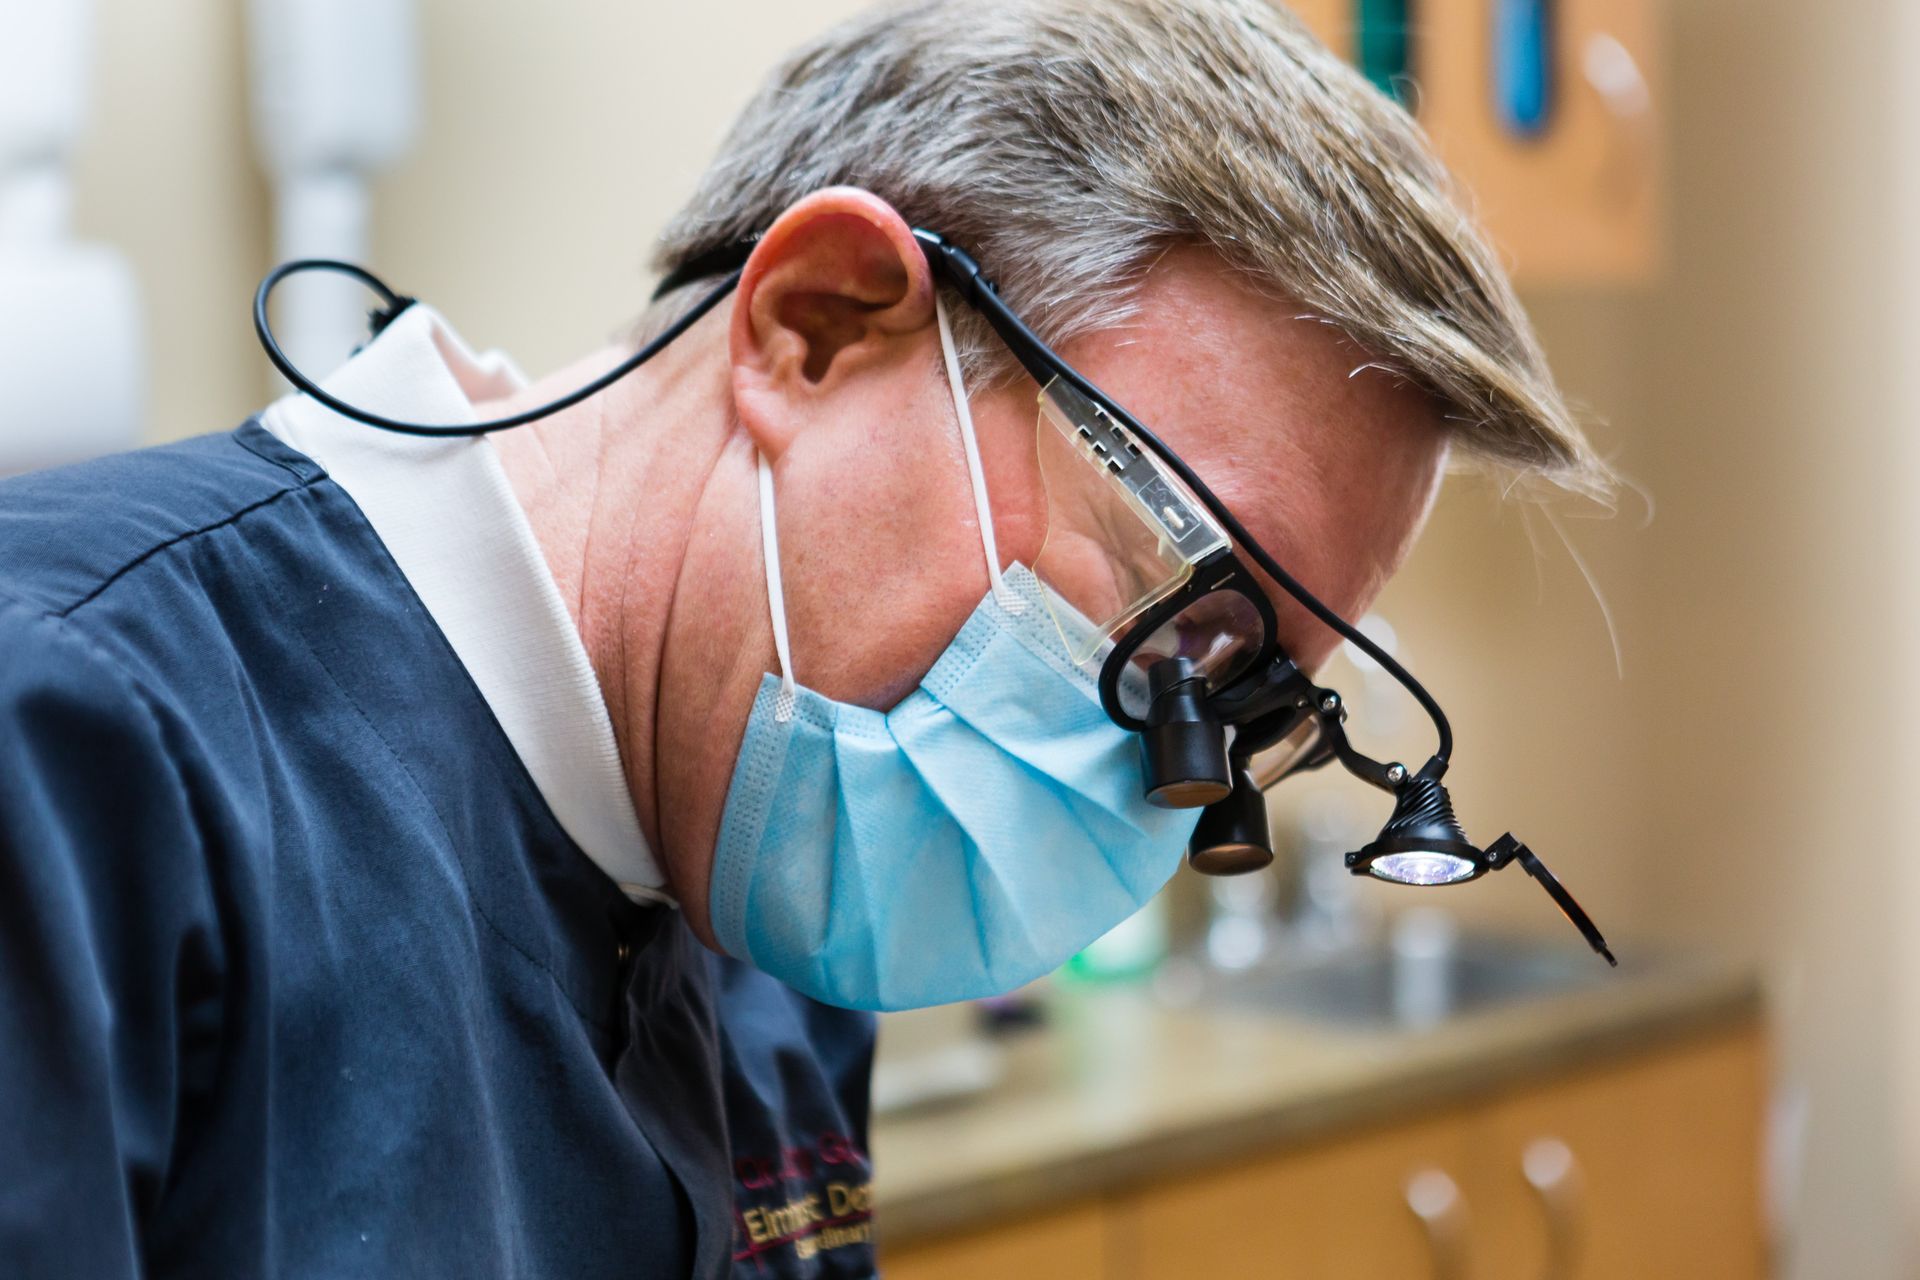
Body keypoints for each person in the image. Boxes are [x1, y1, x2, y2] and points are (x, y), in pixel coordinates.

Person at [0, 0, 1609, 1276]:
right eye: (1174, 619)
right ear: (820, 322)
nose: (1159, 780)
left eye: (1247, 707)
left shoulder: (777, 885)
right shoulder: (76, 742)